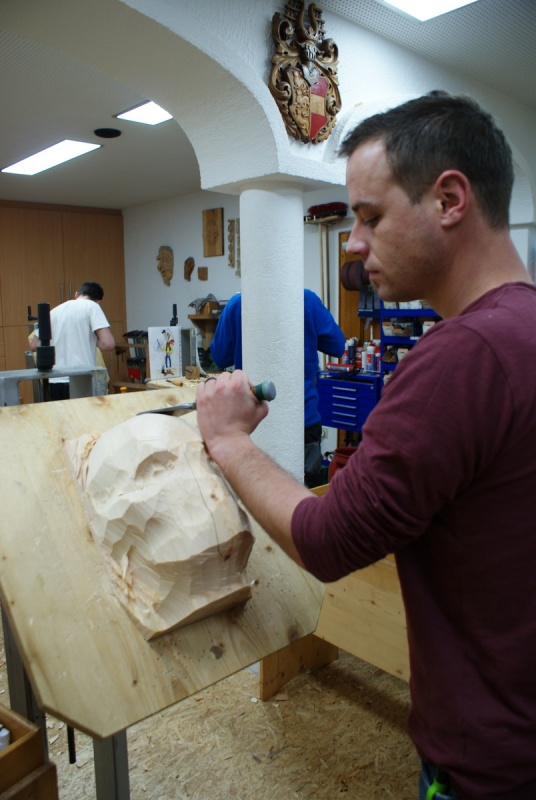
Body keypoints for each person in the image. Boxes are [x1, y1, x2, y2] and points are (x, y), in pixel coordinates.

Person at [195, 91, 536, 799]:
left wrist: (229, 441)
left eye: (371, 216)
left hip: (495, 764)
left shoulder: (461, 357)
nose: (352, 242)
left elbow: (328, 541)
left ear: (449, 200)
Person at [210, 290, 345, 487]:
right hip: (302, 419)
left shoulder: (236, 304)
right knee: (304, 493)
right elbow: (337, 346)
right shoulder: (306, 300)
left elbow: (220, 357)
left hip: (253, 418)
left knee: (255, 491)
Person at [30, 281, 115, 400]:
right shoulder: (92, 307)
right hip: (80, 379)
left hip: (54, 380)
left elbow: (34, 345)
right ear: (98, 301)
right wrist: (91, 337)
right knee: (81, 412)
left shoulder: (54, 311)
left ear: (76, 294)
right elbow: (108, 344)